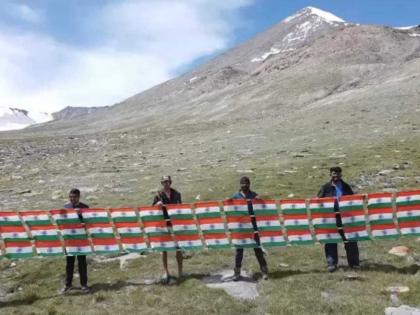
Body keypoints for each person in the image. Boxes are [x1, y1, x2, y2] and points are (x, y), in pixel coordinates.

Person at [317, 167, 360, 272]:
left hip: (346, 217)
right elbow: (318, 202)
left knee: (350, 240)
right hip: (331, 218)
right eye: (334, 174)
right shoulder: (325, 188)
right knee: (330, 241)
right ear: (330, 175)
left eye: (338, 174)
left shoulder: (346, 187)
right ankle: (332, 264)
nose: (336, 175)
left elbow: (352, 200)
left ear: (341, 175)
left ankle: (354, 263)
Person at [230, 176, 268, 281]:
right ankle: (237, 273)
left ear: (249, 185)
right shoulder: (235, 196)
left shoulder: (254, 195)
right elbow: (230, 209)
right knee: (239, 250)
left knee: (257, 249)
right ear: (240, 185)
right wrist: (228, 202)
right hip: (241, 227)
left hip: (253, 226)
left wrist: (259, 200)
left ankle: (264, 271)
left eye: (246, 184)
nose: (245, 186)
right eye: (243, 184)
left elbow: (262, 206)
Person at [152, 176, 183, 283]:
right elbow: (151, 209)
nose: (166, 184)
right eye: (164, 182)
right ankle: (166, 272)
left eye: (168, 182)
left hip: (175, 224)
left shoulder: (177, 194)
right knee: (164, 249)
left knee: (178, 248)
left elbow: (181, 208)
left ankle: (180, 272)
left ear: (170, 182)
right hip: (163, 224)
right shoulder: (158, 195)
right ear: (162, 183)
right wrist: (157, 205)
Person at [60, 188, 90, 294]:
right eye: (71, 197)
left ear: (79, 197)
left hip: (81, 240)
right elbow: (63, 221)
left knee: (82, 263)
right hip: (69, 240)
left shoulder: (85, 207)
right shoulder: (66, 207)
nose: (72, 198)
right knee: (69, 263)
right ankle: (68, 285)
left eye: (74, 197)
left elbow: (89, 222)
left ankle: (84, 285)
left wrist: (84, 224)